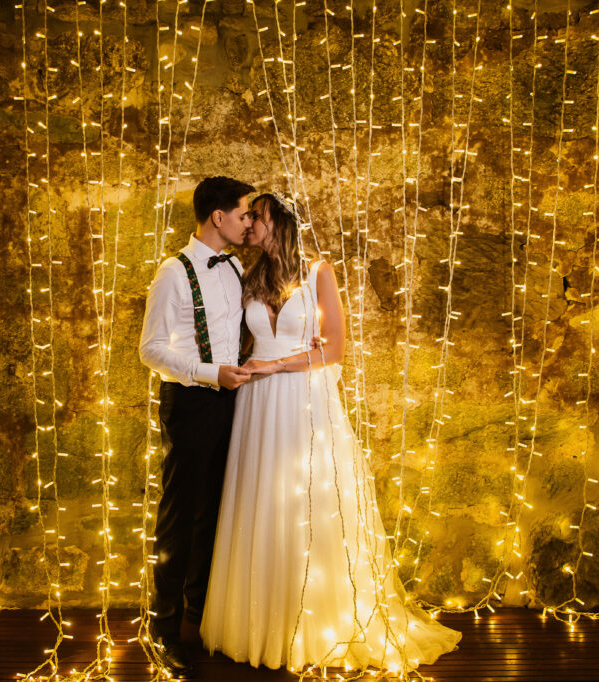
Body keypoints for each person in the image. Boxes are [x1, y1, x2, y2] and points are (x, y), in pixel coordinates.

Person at [199, 193, 462, 674]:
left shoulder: (319, 272)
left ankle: (317, 620)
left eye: (258, 215)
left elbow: (335, 349)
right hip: (257, 404)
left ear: (280, 221)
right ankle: (261, 622)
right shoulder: (248, 277)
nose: (250, 223)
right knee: (262, 501)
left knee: (307, 504)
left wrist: (277, 363)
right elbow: (231, 336)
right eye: (247, 216)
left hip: (302, 399)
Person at [138, 176, 256, 678]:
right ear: (218, 217)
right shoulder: (173, 271)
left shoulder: (235, 268)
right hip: (188, 401)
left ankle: (198, 614)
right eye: (245, 213)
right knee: (180, 514)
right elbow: (150, 350)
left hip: (232, 402)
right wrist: (211, 373)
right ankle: (162, 631)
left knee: (215, 510)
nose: (249, 222)